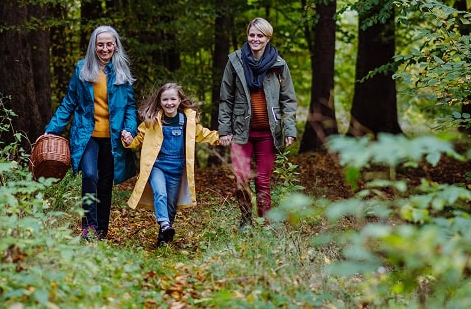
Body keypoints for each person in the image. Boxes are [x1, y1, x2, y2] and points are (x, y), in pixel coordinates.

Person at [44, 25, 138, 241]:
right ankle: (89, 227)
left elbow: (130, 107)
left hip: (113, 139)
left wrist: (129, 129)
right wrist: (51, 130)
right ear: (93, 46)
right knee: (89, 175)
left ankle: (101, 231)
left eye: (109, 44)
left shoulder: (122, 71)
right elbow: (69, 102)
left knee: (105, 184)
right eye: (100, 44)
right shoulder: (82, 69)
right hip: (87, 136)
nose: (105, 48)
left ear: (115, 46)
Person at [123, 82, 228, 247]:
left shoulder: (186, 121)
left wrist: (220, 137)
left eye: (173, 99)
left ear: (179, 101)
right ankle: (164, 224)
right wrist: (128, 140)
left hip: (177, 168)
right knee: (160, 194)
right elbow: (138, 139)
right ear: (160, 101)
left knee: (171, 204)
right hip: (157, 165)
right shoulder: (152, 121)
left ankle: (163, 237)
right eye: (165, 99)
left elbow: (203, 134)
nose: (169, 103)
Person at [218, 17, 297, 231]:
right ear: (247, 36)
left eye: (260, 35)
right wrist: (224, 129)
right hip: (241, 132)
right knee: (241, 180)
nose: (255, 39)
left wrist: (289, 129)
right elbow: (226, 98)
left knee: (263, 181)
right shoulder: (235, 62)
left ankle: (266, 225)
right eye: (252, 35)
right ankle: (245, 221)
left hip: (268, 134)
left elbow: (288, 100)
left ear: (267, 38)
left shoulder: (279, 65)